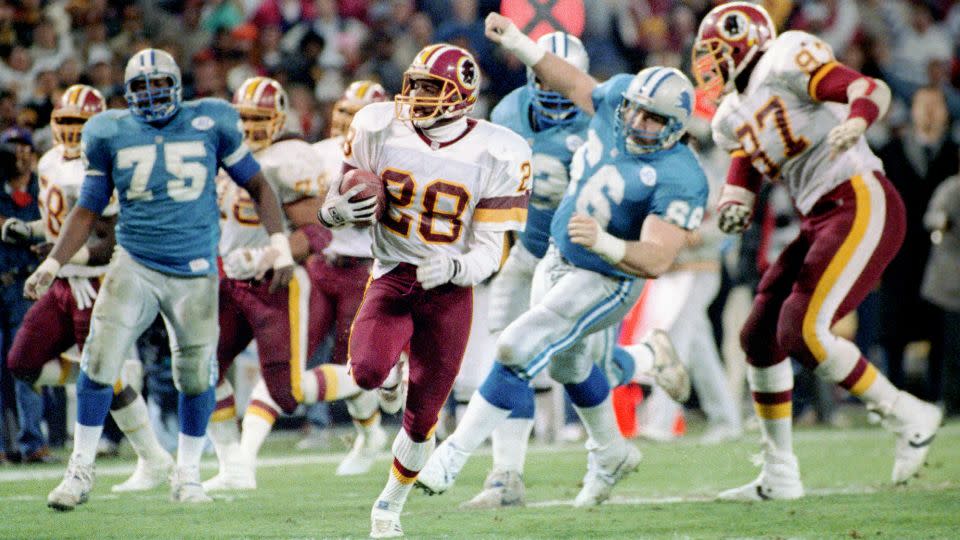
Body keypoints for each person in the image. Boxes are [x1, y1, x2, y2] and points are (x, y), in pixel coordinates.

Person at [421, 14, 708, 512]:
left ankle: (455, 457)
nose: (639, 123)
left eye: (654, 120)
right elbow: (576, 81)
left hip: (608, 274)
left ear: (676, 128)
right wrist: (517, 42)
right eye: (637, 111)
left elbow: (657, 257)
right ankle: (614, 444)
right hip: (549, 250)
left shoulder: (681, 175)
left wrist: (607, 244)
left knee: (516, 345)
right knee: (570, 364)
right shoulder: (610, 99)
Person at [690, 2, 942, 500]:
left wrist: (859, 118)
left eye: (717, 53)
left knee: (802, 330)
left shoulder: (785, 58)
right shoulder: (731, 115)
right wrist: (734, 200)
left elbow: (867, 87)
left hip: (858, 195)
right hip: (818, 215)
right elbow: (748, 157)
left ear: (746, 42)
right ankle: (780, 472)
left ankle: (908, 414)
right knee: (759, 335)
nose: (709, 67)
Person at [31, 48, 293, 510]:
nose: (151, 96)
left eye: (159, 85)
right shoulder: (109, 131)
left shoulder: (211, 121)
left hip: (194, 270)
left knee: (194, 375)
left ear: (176, 85)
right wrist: (54, 262)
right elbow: (88, 207)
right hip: (134, 262)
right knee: (98, 359)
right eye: (141, 88)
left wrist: (280, 244)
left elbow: (259, 187)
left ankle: (188, 474)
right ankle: (80, 471)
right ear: (127, 93)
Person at [316, 43, 531, 538]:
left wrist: (454, 268)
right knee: (367, 373)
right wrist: (337, 213)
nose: (414, 95)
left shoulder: (498, 150)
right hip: (393, 271)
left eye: (430, 87)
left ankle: (387, 509)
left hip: (449, 292)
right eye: (413, 83)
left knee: (422, 416)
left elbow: (490, 251)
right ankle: (393, 366)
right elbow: (335, 201)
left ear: (460, 95)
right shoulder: (377, 124)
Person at [202, 76, 374, 491]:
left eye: (259, 118)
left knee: (287, 391)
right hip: (229, 280)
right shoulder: (222, 151)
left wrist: (276, 253)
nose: (250, 127)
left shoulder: (289, 158)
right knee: (203, 371)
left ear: (278, 120)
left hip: (275, 285)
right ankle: (233, 468)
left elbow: (317, 231)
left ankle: (372, 380)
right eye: (243, 117)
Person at [4, 84, 173, 490]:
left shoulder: (105, 163)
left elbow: (107, 241)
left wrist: (58, 258)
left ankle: (136, 458)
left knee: (100, 378)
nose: (71, 131)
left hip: (97, 285)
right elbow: (60, 224)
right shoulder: (47, 162)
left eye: (80, 123)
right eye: (65, 122)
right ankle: (148, 446)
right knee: (22, 363)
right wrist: (28, 229)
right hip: (62, 284)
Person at [309, 80, 389, 476]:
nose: (343, 119)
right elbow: (306, 211)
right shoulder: (317, 153)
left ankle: (370, 431)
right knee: (298, 350)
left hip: (365, 266)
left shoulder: (390, 156)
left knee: (352, 360)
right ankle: (324, 424)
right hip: (322, 262)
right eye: (343, 110)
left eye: (354, 113)